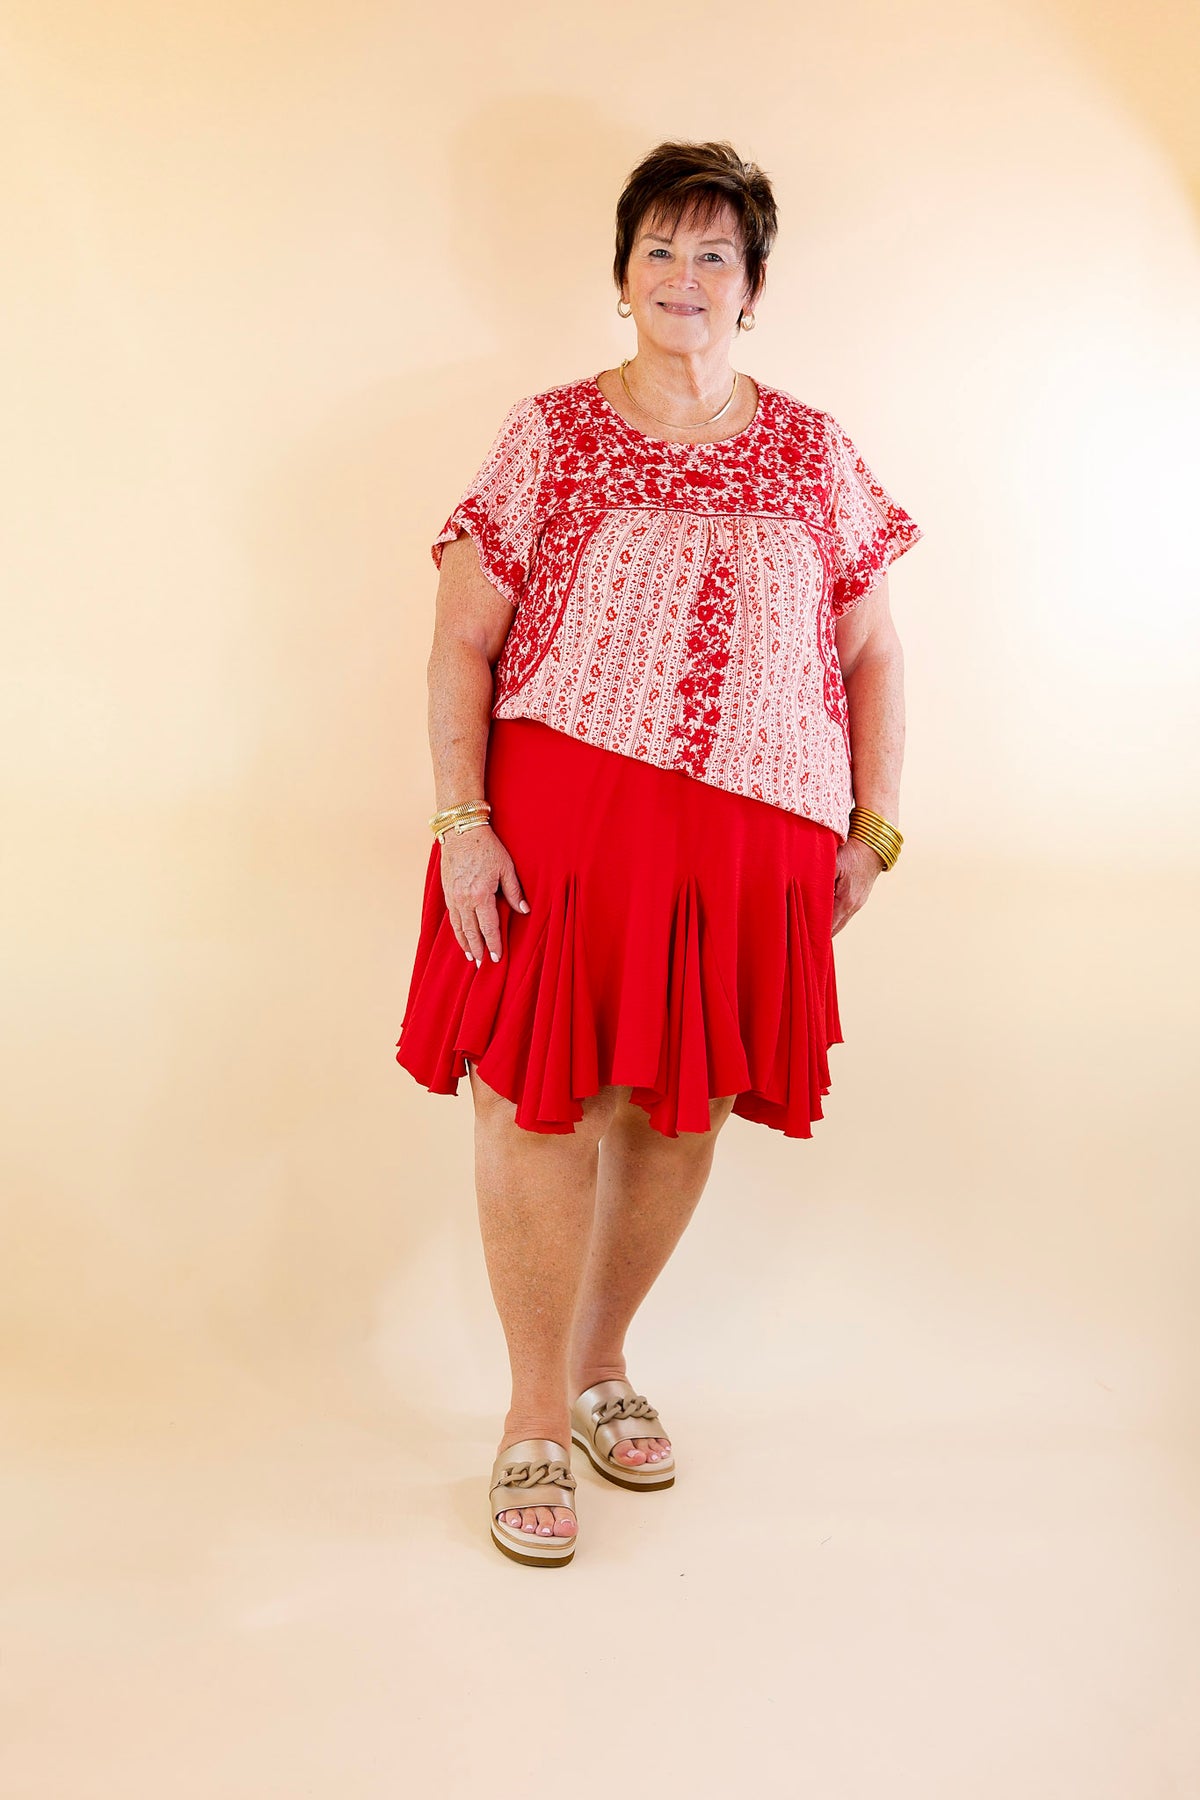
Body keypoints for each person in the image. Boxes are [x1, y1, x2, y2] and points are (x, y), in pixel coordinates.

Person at [395, 139, 924, 1566]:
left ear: (754, 286)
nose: (685, 277)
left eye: (715, 254)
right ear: (623, 273)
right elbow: (460, 638)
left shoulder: (814, 449)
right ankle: (528, 1418)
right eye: (661, 250)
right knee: (542, 1101)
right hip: (568, 826)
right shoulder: (552, 434)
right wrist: (462, 821)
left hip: (753, 843)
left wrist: (873, 823)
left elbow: (874, 650)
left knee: (685, 1107)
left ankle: (599, 1367)